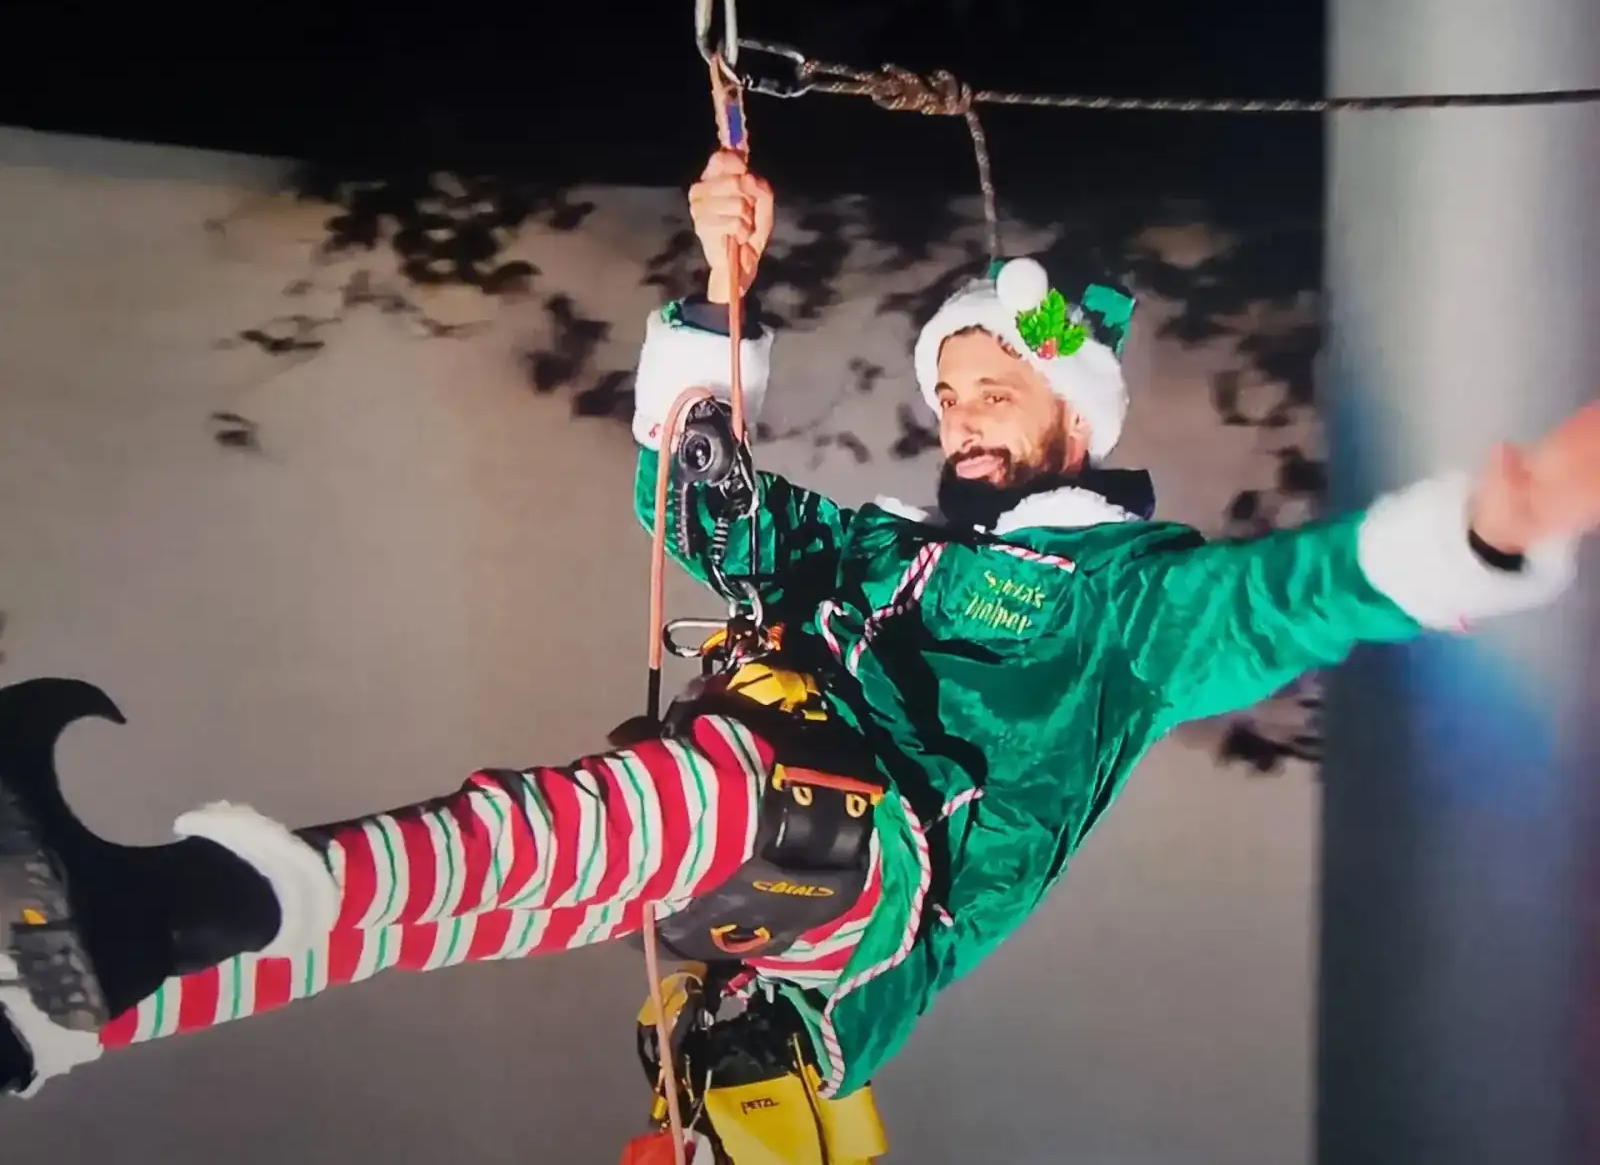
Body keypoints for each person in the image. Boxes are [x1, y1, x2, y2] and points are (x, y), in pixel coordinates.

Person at [2, 147, 1597, 1109]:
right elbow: (694, 513)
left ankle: (192, 893)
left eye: (1001, 390)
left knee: (712, 797)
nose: (966, 416)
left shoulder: (1129, 602)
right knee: (512, 882)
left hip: (871, 877)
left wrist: (1491, 523)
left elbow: (1291, 598)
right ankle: (100, 981)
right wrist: (717, 290)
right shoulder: (879, 550)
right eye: (953, 390)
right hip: (763, 847)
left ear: (1078, 410)